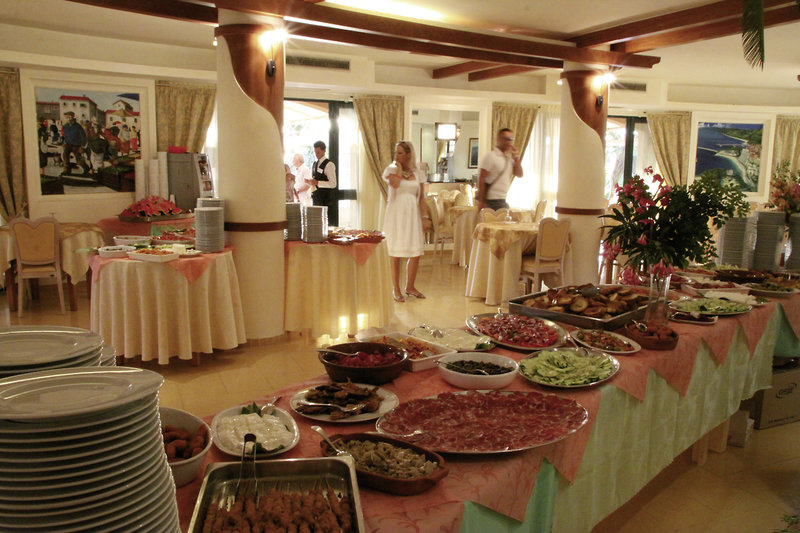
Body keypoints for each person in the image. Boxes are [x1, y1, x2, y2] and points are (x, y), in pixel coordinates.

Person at [382, 140, 431, 302]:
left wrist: (425, 217)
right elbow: (395, 184)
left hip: (412, 213)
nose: (397, 156)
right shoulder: (391, 170)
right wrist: (399, 169)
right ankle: (396, 289)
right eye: (395, 153)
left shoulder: (418, 173)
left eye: (400, 153)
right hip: (396, 213)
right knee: (395, 252)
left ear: (409, 154)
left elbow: (421, 198)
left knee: (415, 251)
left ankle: (410, 286)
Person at [477, 128, 523, 211]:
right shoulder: (491, 156)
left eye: (511, 139)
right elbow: (482, 179)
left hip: (502, 199)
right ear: (499, 139)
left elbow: (519, 174)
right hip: (491, 200)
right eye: (506, 139)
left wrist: (516, 158)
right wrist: (482, 201)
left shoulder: (508, 159)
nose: (508, 142)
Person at [307, 140, 336, 211]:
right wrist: (310, 182)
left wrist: (318, 183)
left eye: (318, 152)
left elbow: (333, 184)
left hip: (326, 200)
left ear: (324, 151)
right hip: (316, 199)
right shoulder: (315, 164)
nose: (316, 154)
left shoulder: (329, 164)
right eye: (315, 152)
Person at [61, 111, 89, 175]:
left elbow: (83, 137)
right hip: (68, 144)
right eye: (67, 117)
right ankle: (67, 170)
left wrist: (82, 146)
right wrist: (64, 142)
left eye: (70, 117)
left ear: (73, 117)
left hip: (76, 145)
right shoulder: (65, 126)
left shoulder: (78, 126)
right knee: (65, 156)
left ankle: (86, 169)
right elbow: (65, 136)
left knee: (78, 159)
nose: (69, 119)